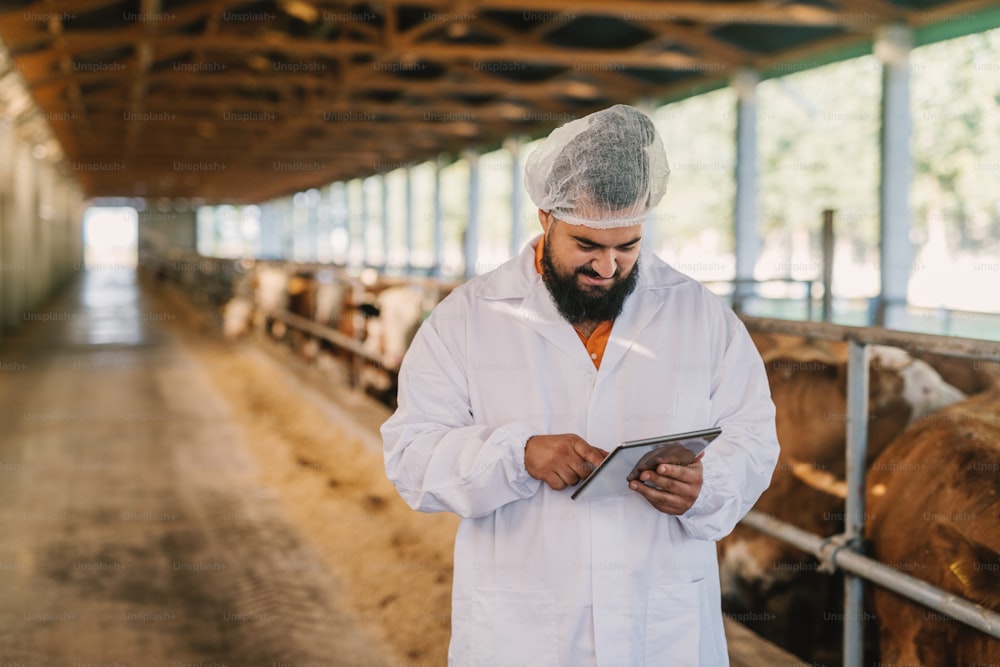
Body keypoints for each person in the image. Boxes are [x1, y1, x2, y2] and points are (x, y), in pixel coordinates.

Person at [381, 104, 779, 666]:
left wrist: (706, 486)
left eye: (628, 246)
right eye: (586, 246)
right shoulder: (469, 318)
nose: (609, 267)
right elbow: (410, 454)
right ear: (546, 217)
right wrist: (518, 455)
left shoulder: (700, 316)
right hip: (523, 627)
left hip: (660, 623)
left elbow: (754, 439)